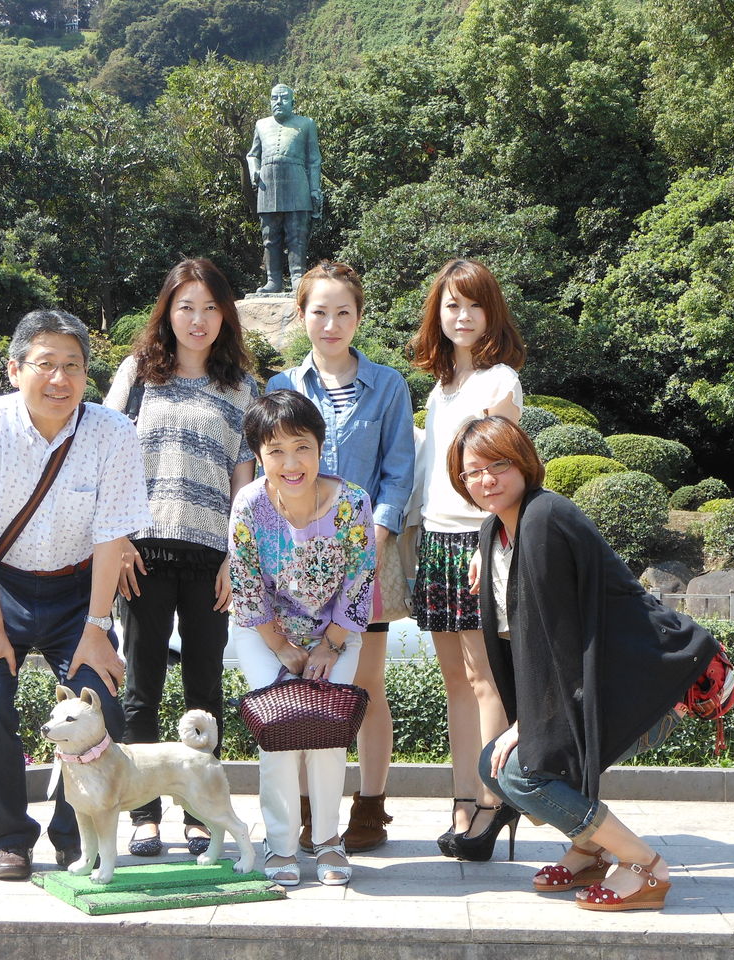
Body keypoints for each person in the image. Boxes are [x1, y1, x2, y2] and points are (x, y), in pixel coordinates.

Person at [451, 416, 719, 910]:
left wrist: (527, 725)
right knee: (495, 766)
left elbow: (558, 640)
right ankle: (590, 849)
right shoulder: (497, 529)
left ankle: (643, 864)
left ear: (524, 463)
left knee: (524, 773)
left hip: (647, 679)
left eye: (499, 464)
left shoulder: (543, 518)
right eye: (473, 471)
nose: (486, 479)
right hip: (597, 678)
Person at [0, 308, 153, 881]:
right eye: (45, 364)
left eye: (73, 366)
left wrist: (97, 627)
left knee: (104, 705)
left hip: (79, 592)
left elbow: (112, 536)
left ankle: (70, 833)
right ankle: (9, 839)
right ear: (15, 370)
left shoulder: (113, 432)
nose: (60, 379)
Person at [104, 258, 258, 858]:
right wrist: (117, 541)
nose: (198, 320)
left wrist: (235, 558)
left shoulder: (241, 386)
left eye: (210, 308)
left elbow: (245, 484)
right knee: (141, 687)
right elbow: (108, 458)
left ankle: (199, 813)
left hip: (211, 558)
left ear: (226, 315)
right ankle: (143, 815)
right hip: (142, 552)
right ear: (167, 311)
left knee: (204, 687)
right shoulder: (138, 374)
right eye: (186, 307)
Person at [266, 261, 414, 852]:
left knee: (365, 687)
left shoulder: (388, 385)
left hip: (365, 560)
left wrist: (372, 540)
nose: (331, 324)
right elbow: (273, 468)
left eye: (343, 312)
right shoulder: (282, 384)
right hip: (295, 567)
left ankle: (370, 806)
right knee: (304, 685)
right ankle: (308, 807)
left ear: (358, 316)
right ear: (302, 315)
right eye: (319, 311)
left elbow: (398, 472)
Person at [229, 390, 376, 886]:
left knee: (328, 736)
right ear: (258, 455)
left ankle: (328, 840)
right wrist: (281, 647)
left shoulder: (353, 503)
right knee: (279, 736)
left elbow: (360, 578)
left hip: (336, 634)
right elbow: (246, 583)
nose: (291, 463)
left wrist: (329, 645)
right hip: (264, 634)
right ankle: (281, 844)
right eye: (275, 451)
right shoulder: (249, 504)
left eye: (302, 447)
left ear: (320, 446)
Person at [407, 258, 525, 859]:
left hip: (476, 541)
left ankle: (492, 799)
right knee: (455, 680)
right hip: (436, 540)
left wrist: (491, 541)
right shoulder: (441, 386)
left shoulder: (499, 382)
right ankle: (462, 798)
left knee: (485, 680)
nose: (463, 315)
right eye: (452, 304)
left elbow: (500, 478)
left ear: (491, 313)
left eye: (474, 304)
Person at [247, 83, 322, 293]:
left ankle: (298, 277)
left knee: (297, 234)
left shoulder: (306, 124)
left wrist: (315, 190)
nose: (278, 102)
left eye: (283, 98)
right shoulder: (261, 124)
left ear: (292, 102)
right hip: (267, 184)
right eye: (274, 98)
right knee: (269, 236)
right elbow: (253, 154)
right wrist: (254, 169)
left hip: (297, 182)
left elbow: (314, 160)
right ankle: (273, 280)